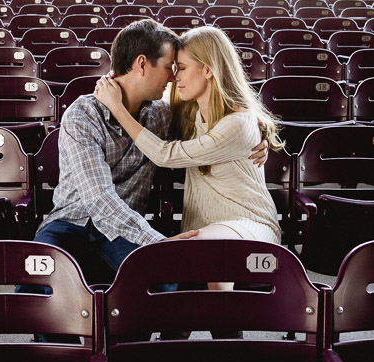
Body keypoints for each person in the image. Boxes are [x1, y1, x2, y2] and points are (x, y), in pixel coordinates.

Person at [31, 19, 269, 286]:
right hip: (72, 222)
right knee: (35, 284)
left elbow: (213, 131)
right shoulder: (83, 113)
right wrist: (158, 242)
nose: (172, 77)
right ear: (142, 64)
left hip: (124, 231)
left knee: (164, 284)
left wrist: (260, 135)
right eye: (169, 67)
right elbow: (99, 201)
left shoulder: (161, 115)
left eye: (177, 69)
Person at [94, 25, 285, 291]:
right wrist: (116, 88)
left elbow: (164, 154)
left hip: (248, 224)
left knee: (210, 253)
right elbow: (134, 89)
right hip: (202, 229)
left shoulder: (239, 123)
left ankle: (226, 332)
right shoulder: (188, 115)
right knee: (185, 273)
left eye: (181, 67)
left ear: (208, 69)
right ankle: (186, 333)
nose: (174, 77)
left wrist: (116, 107)